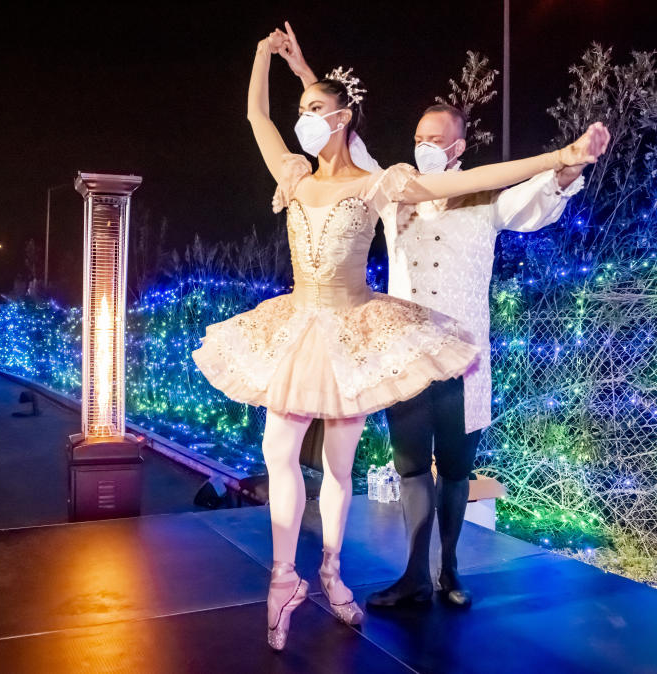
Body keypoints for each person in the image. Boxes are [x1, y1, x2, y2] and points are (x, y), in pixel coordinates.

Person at [191, 26, 609, 652]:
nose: (424, 148)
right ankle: (338, 576)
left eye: (436, 140)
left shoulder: (426, 191)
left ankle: (393, 572)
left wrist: (561, 157)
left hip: (408, 343)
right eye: (418, 139)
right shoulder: (335, 180)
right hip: (344, 338)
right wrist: (282, 63)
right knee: (340, 458)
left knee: (398, 471)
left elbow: (498, 188)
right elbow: (295, 121)